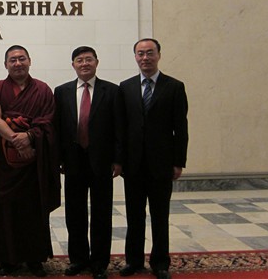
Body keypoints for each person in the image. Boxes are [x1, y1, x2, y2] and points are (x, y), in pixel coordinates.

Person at [0, 45, 60, 278]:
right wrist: (18, 140)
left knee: (33, 208)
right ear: (5, 64)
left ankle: (34, 258)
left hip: (34, 162)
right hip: (6, 163)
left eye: (22, 58)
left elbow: (48, 121)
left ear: (29, 61)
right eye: (12, 60)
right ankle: (7, 259)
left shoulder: (43, 89)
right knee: (5, 207)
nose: (18, 63)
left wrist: (29, 136)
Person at [119, 39, 189, 279]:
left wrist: (178, 161)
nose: (145, 58)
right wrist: (119, 160)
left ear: (159, 55)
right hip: (133, 164)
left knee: (160, 216)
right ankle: (133, 261)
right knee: (134, 216)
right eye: (140, 54)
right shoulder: (125, 87)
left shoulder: (174, 87)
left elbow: (181, 128)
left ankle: (160, 263)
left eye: (150, 53)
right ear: (135, 57)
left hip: (162, 164)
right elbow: (121, 128)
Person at [54, 46, 124, 279]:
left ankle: (99, 263)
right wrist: (58, 159)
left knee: (102, 213)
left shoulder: (112, 91)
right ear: (73, 64)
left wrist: (118, 159)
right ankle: (78, 259)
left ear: (96, 62)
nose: (84, 63)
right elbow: (58, 128)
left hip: (102, 162)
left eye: (88, 59)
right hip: (72, 162)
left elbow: (119, 128)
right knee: (74, 213)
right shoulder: (61, 91)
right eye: (79, 60)